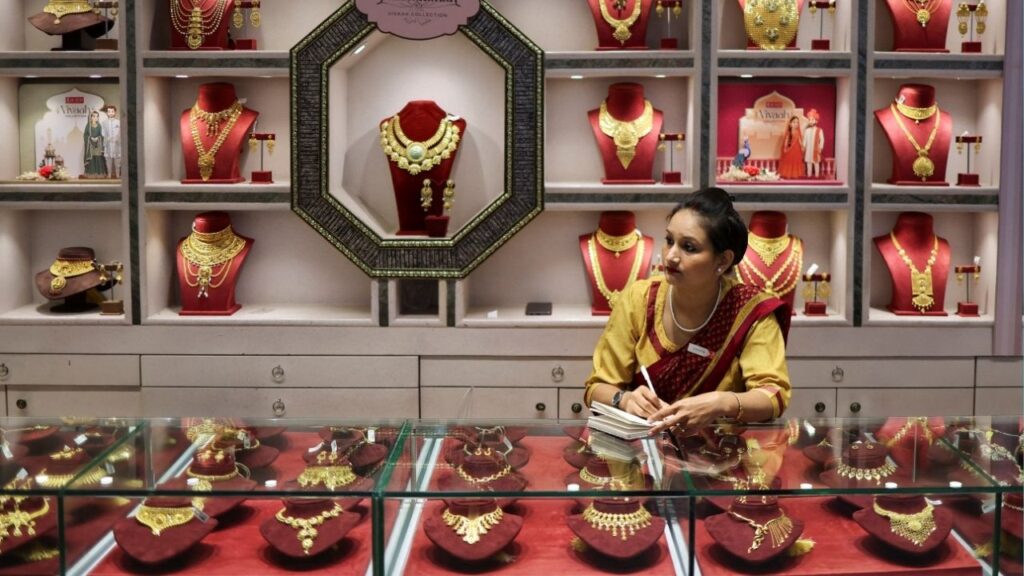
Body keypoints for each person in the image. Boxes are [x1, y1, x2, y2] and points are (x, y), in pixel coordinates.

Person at [583, 187, 791, 433]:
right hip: (645, 452)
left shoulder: (749, 310)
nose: (670, 256)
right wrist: (625, 400)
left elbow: (773, 396)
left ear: (722, 261)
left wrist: (720, 403)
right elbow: (596, 388)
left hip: (722, 457)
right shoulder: (639, 299)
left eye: (689, 247)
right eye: (669, 241)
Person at [82, 110, 106, 178]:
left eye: (97, 116)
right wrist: (90, 138)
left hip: (98, 145)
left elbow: (102, 135)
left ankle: (99, 173)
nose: (95, 118)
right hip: (90, 145)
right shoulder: (88, 125)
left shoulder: (99, 126)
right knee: (91, 158)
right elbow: (85, 135)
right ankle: (91, 173)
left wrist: (98, 138)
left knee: (98, 157)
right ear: (91, 117)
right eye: (94, 116)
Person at [803, 108, 825, 179]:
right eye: (809, 120)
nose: (811, 121)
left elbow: (822, 140)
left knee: (816, 163)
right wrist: (803, 146)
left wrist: (820, 147)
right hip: (809, 149)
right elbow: (805, 139)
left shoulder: (819, 130)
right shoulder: (807, 130)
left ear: (816, 121)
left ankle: (817, 175)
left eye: (812, 119)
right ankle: (809, 175)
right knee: (808, 162)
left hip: (816, 149)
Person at [101, 105, 121, 179]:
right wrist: (107, 138)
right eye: (109, 111)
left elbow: (121, 132)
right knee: (108, 160)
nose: (111, 113)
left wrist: (117, 138)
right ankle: (109, 174)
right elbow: (102, 132)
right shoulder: (104, 123)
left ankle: (117, 174)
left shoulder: (119, 122)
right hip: (108, 144)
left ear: (115, 112)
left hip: (117, 144)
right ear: (107, 113)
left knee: (117, 160)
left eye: (112, 111)